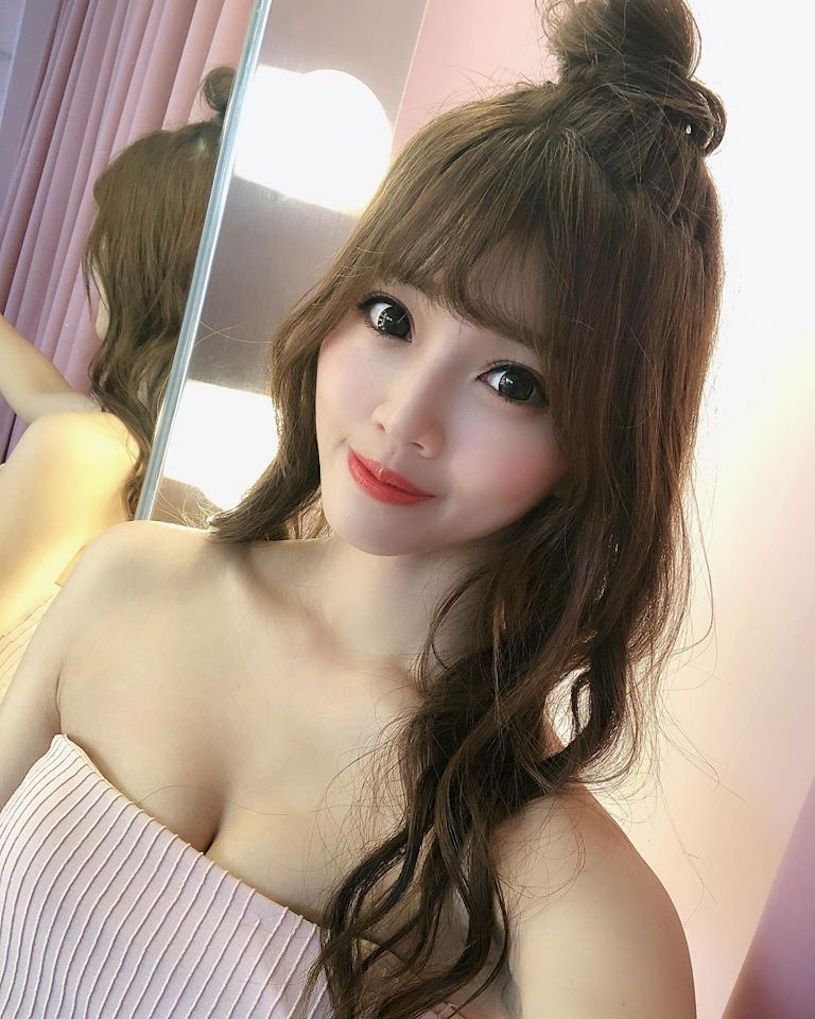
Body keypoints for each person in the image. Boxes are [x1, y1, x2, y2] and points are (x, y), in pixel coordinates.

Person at [0, 0, 726, 1015]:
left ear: (599, 445)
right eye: (391, 315)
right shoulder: (127, 580)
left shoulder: (572, 906)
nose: (403, 416)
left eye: (512, 381)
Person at [0, 66, 234, 693]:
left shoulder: (81, 454)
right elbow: (42, 395)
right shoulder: (156, 448)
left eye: (108, 234)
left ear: (143, 261)